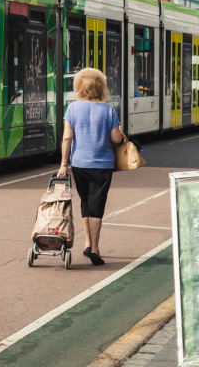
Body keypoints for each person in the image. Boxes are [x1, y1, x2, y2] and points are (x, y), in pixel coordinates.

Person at [57, 68, 123, 266]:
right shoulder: (108, 109)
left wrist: (63, 164)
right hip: (102, 165)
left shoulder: (72, 109)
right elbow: (116, 138)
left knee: (85, 201)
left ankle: (87, 242)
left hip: (79, 164)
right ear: (100, 87)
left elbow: (67, 138)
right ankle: (95, 248)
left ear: (79, 87)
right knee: (97, 206)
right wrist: (120, 129)